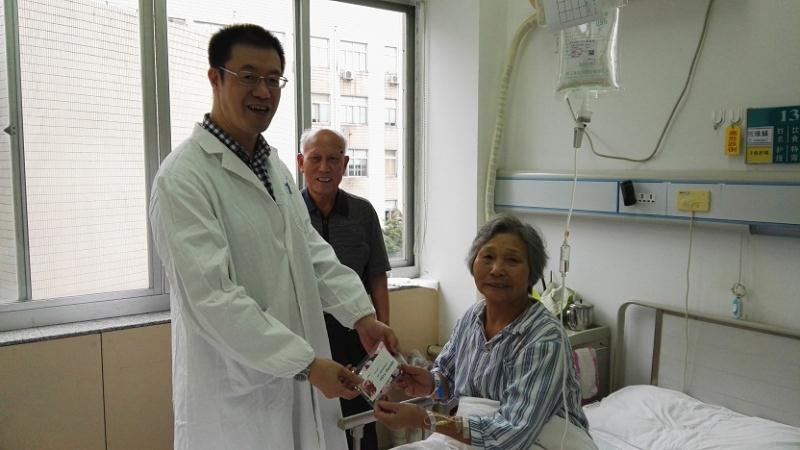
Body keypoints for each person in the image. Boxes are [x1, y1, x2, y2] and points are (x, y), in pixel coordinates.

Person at [148, 24, 398, 450]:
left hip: (294, 381)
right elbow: (212, 298)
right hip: (235, 396)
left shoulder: (274, 169)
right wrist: (305, 364)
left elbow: (311, 253)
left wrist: (361, 315)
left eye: (272, 79)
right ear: (215, 78)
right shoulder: (183, 178)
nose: (263, 92)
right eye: (248, 76)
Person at [373, 214, 597, 449]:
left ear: (533, 272)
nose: (497, 269)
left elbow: (512, 434)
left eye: (512, 260)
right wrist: (429, 383)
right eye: (488, 257)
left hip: (537, 442)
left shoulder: (545, 339)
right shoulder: (472, 318)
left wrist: (425, 419)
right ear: (473, 263)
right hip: (476, 437)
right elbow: (447, 378)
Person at [298, 128, 392, 450]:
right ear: (301, 163)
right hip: (308, 336)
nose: (324, 168)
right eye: (315, 159)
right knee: (314, 424)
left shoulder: (363, 213)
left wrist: (381, 340)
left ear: (345, 164)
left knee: (362, 420)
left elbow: (377, 277)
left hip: (358, 335)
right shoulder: (288, 214)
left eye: (333, 159)